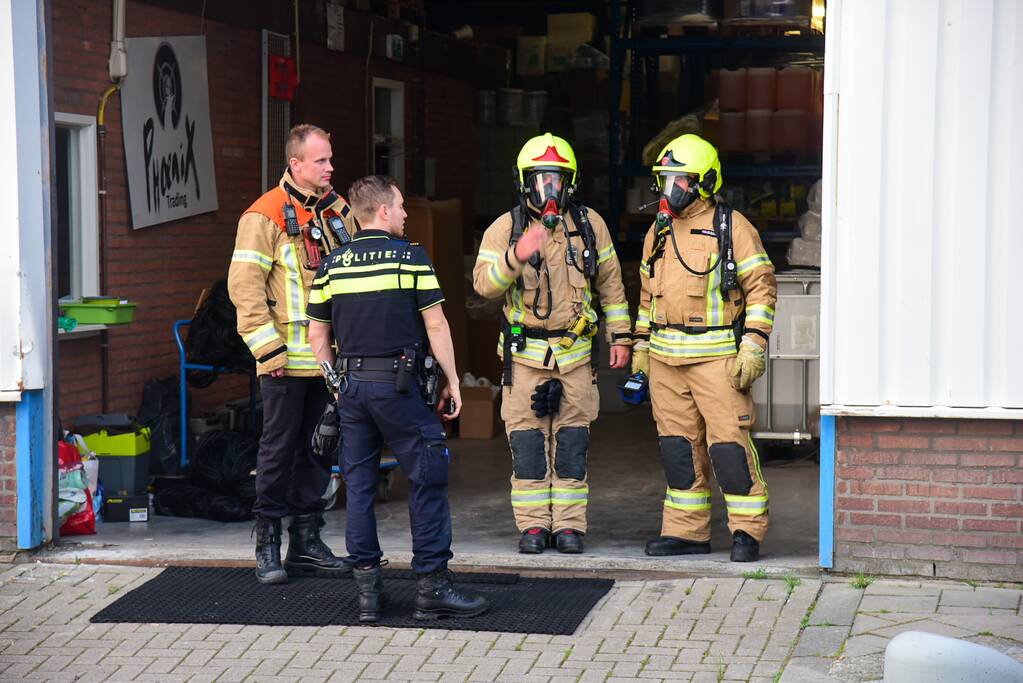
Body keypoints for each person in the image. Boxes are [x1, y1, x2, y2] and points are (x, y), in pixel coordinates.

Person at [307, 175, 488, 623]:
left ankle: (368, 595)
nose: (407, 214)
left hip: (351, 392)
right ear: (383, 211)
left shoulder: (330, 265)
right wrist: (453, 380)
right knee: (427, 478)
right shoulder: (411, 259)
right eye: (402, 206)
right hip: (401, 389)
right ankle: (432, 588)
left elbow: (316, 335)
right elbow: (438, 325)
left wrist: (336, 381)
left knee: (361, 487)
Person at [472, 133, 632, 555]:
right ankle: (533, 527)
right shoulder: (505, 229)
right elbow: (483, 287)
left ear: (569, 182)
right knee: (527, 446)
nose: (548, 189)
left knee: (572, 447)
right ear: (524, 181)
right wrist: (516, 255)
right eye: (539, 179)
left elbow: (612, 286)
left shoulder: (589, 225)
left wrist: (621, 339)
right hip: (524, 360)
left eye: (555, 179)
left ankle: (568, 527)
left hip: (576, 358)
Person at [632, 134, 777, 562]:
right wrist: (641, 347)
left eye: (681, 179)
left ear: (705, 181)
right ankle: (686, 532)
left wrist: (753, 344)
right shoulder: (656, 233)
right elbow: (646, 297)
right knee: (678, 448)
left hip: (717, 358)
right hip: (664, 360)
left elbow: (762, 289)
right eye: (665, 179)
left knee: (728, 447)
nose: (670, 188)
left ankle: (747, 532)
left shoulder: (734, 228)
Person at [228, 124, 353, 584]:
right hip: (283, 363)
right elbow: (244, 289)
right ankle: (267, 546)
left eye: (330, 159)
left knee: (320, 450)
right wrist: (267, 350)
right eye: (321, 160)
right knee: (278, 453)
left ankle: (307, 543)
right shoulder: (263, 216)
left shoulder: (338, 210)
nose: (330, 167)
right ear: (296, 164)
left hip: (326, 363)